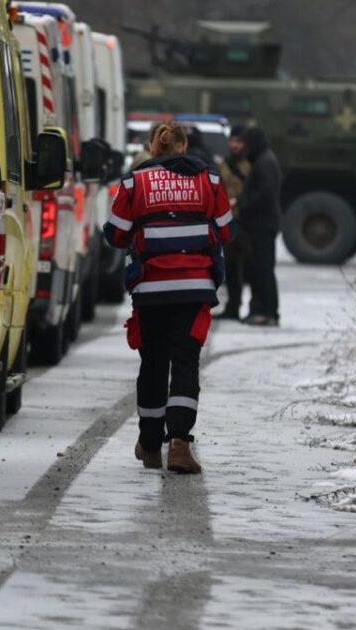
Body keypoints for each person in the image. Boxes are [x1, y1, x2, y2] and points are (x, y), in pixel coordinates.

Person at [103, 122, 235, 474]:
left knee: (154, 363)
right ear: (184, 146)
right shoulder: (210, 180)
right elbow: (226, 230)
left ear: (151, 146)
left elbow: (115, 234)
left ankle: (149, 444)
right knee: (186, 361)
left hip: (151, 290)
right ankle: (179, 442)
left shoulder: (134, 181)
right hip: (195, 290)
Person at [237, 126, 282, 327]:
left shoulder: (265, 162)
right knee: (258, 269)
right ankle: (262, 310)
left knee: (263, 269)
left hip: (263, 225)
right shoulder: (264, 160)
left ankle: (267, 311)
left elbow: (265, 193)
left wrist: (244, 205)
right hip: (259, 225)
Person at [214, 125, 251, 320]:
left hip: (245, 222)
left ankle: (251, 307)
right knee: (230, 267)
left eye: (239, 142)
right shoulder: (225, 165)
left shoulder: (250, 165)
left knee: (246, 267)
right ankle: (232, 306)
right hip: (227, 222)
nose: (234, 145)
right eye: (232, 141)